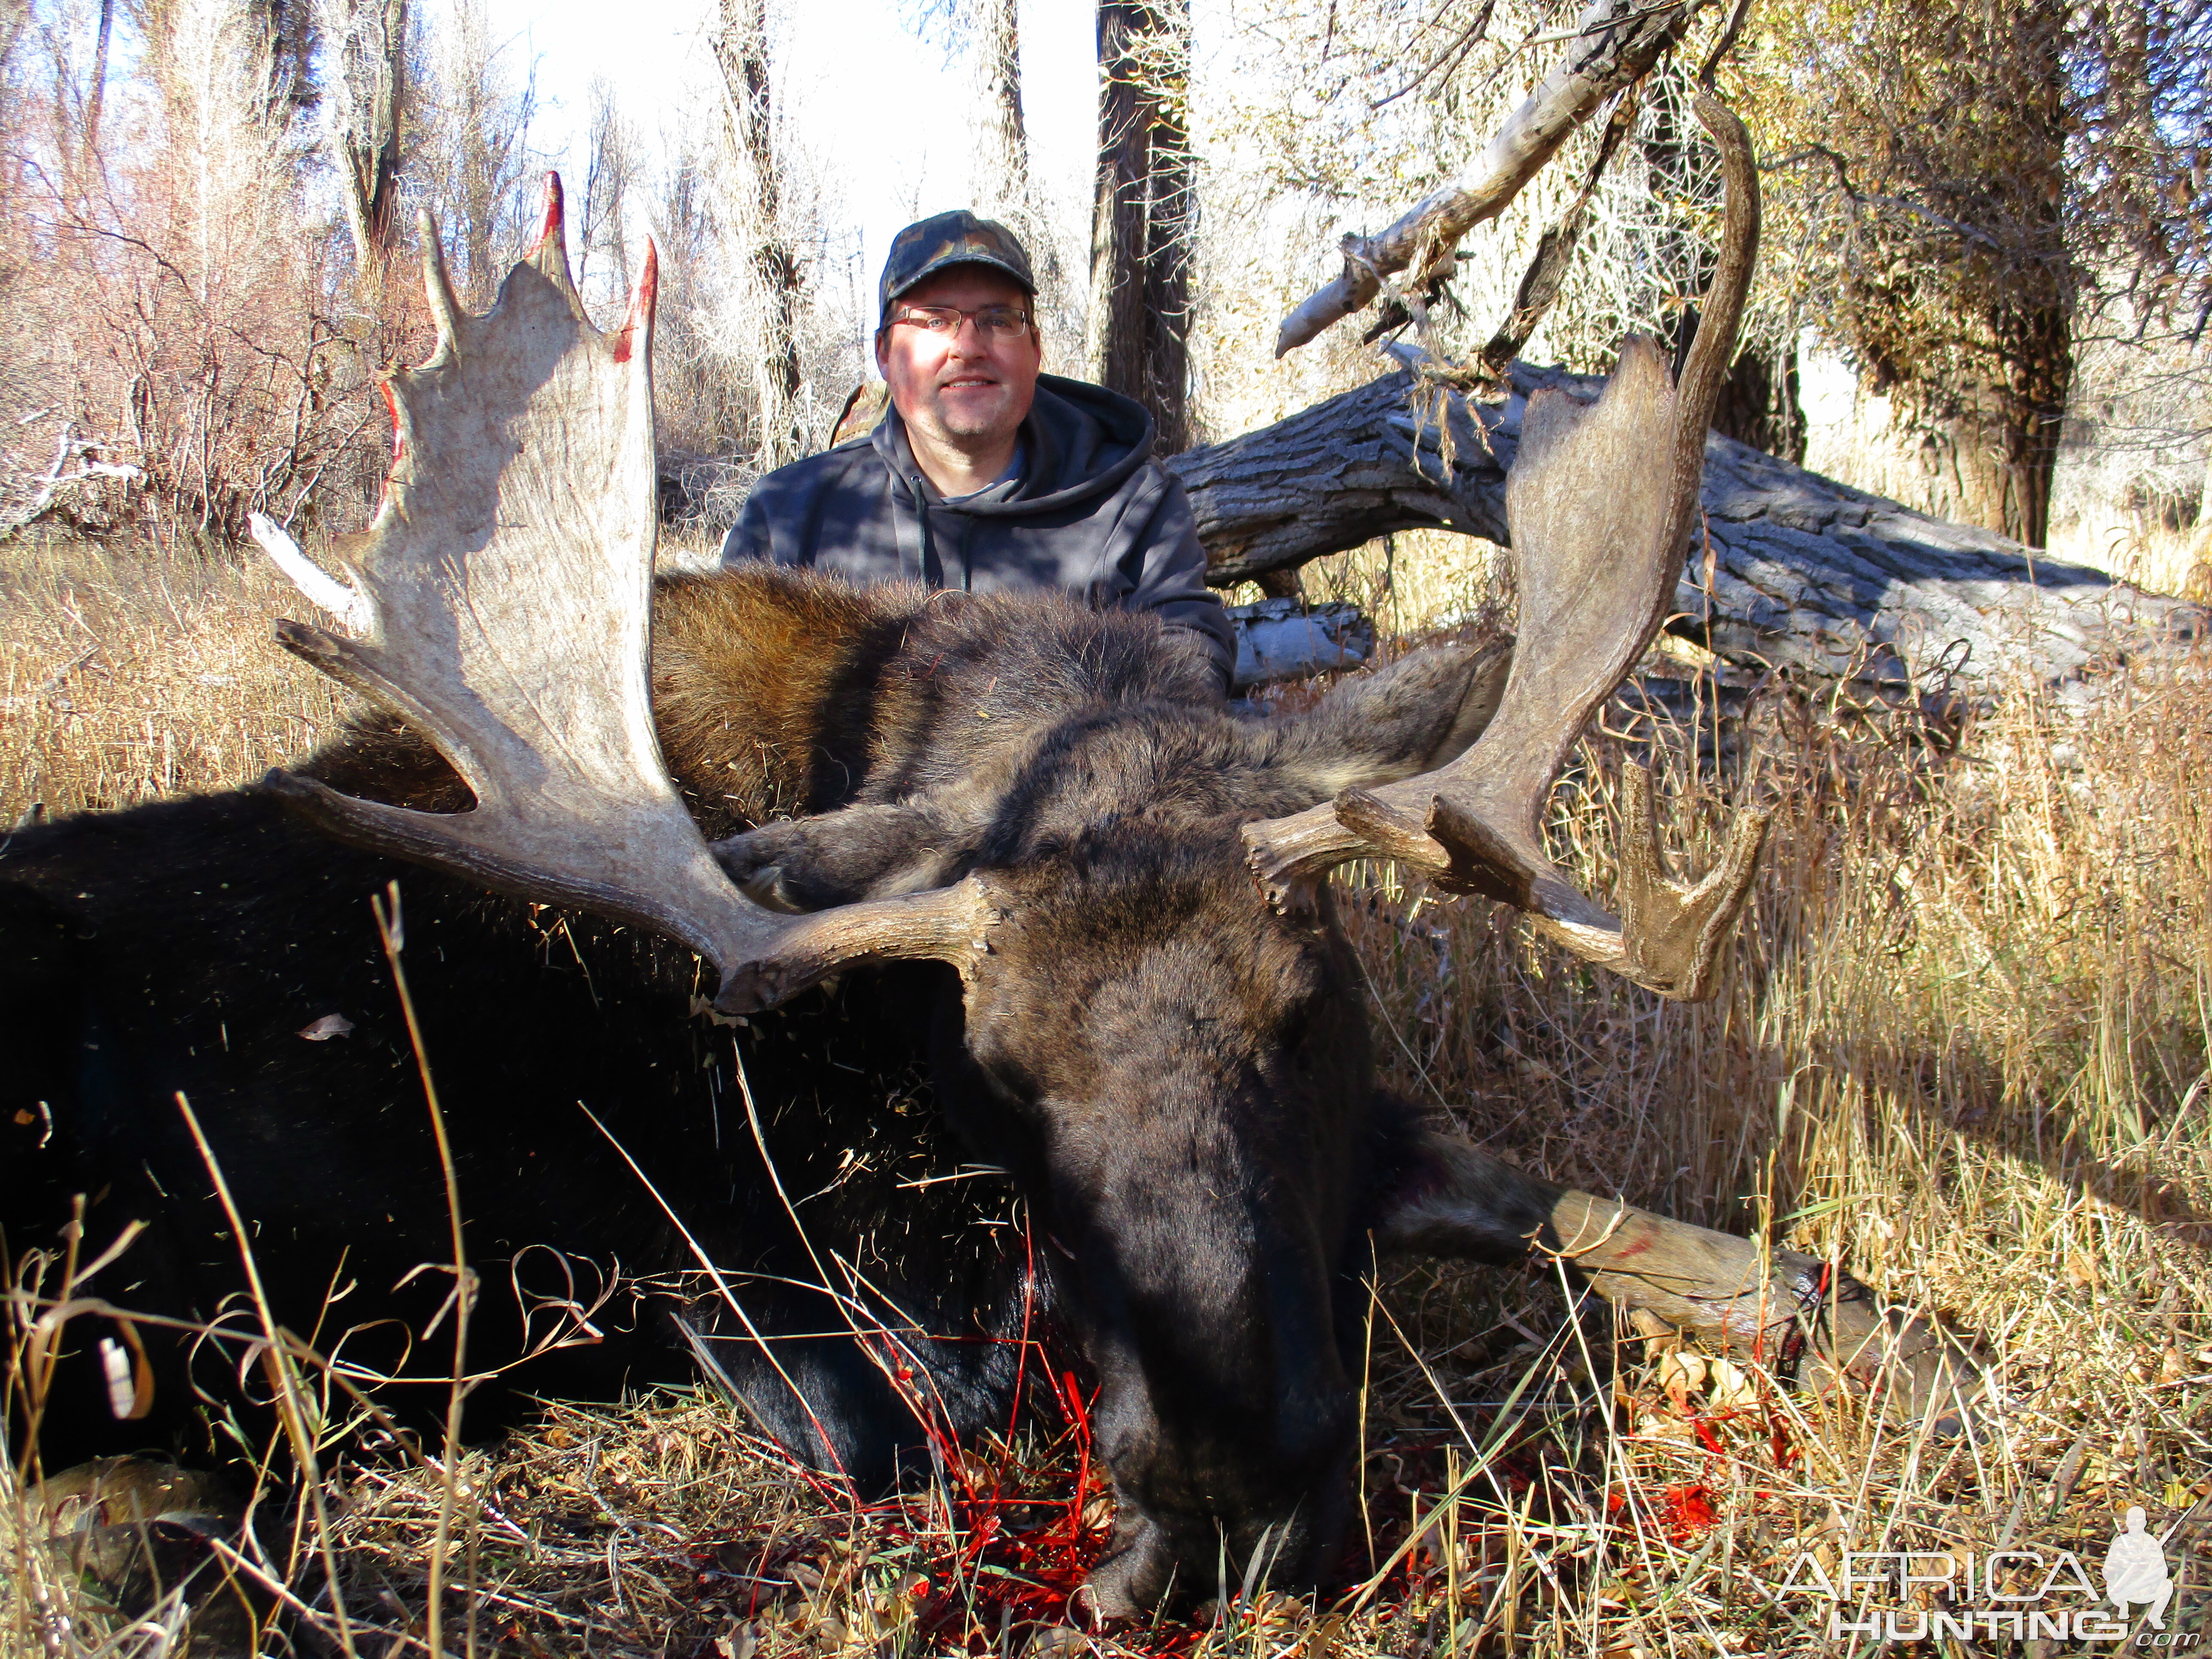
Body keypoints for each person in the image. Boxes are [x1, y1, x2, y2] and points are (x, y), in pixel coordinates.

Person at [719, 210, 1236, 690]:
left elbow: (1190, 662)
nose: (967, 346)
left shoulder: (1134, 501)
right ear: (883, 353)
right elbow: (729, 689)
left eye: (997, 319)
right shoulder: (787, 512)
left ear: (1035, 348)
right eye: (933, 320)